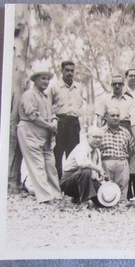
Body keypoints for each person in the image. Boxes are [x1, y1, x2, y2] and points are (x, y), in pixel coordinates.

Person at [17, 69, 62, 203]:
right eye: (43, 79)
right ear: (35, 80)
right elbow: (33, 115)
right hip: (29, 132)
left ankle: (56, 194)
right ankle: (45, 197)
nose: (46, 82)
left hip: (45, 135)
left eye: (48, 79)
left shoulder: (46, 96)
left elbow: (53, 114)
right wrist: (49, 126)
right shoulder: (29, 95)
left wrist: (54, 122)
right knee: (38, 165)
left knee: (50, 165)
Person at [49, 60, 86, 179]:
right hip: (60, 122)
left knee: (73, 154)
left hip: (74, 123)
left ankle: (70, 183)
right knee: (57, 153)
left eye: (72, 70)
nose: (70, 73)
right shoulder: (54, 87)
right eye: (67, 70)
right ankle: (57, 183)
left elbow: (81, 105)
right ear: (62, 71)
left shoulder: (79, 87)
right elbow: (48, 107)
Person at [60, 126, 108, 207]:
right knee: (86, 171)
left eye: (100, 137)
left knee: (102, 201)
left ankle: (77, 198)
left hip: (84, 180)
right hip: (69, 181)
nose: (98, 140)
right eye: (95, 137)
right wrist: (99, 169)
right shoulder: (82, 147)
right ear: (88, 137)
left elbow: (95, 174)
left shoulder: (97, 151)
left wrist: (100, 181)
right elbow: (82, 163)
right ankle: (84, 201)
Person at [100, 107, 135, 203]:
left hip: (122, 161)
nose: (115, 118)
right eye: (112, 115)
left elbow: (131, 148)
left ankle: (122, 202)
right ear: (106, 117)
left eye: (117, 115)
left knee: (123, 184)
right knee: (107, 185)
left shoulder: (125, 132)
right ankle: (107, 202)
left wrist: (124, 160)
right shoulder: (101, 132)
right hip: (106, 161)